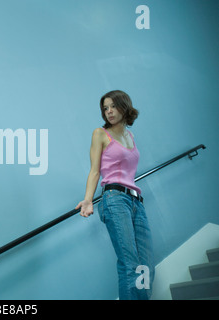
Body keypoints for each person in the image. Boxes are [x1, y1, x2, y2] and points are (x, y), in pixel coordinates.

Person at [76, 90, 154, 300]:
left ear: (124, 106)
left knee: (145, 266)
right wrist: (88, 199)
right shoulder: (100, 134)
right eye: (105, 108)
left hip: (137, 202)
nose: (109, 111)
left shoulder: (131, 136)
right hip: (115, 199)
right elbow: (95, 170)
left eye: (112, 106)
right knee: (130, 264)